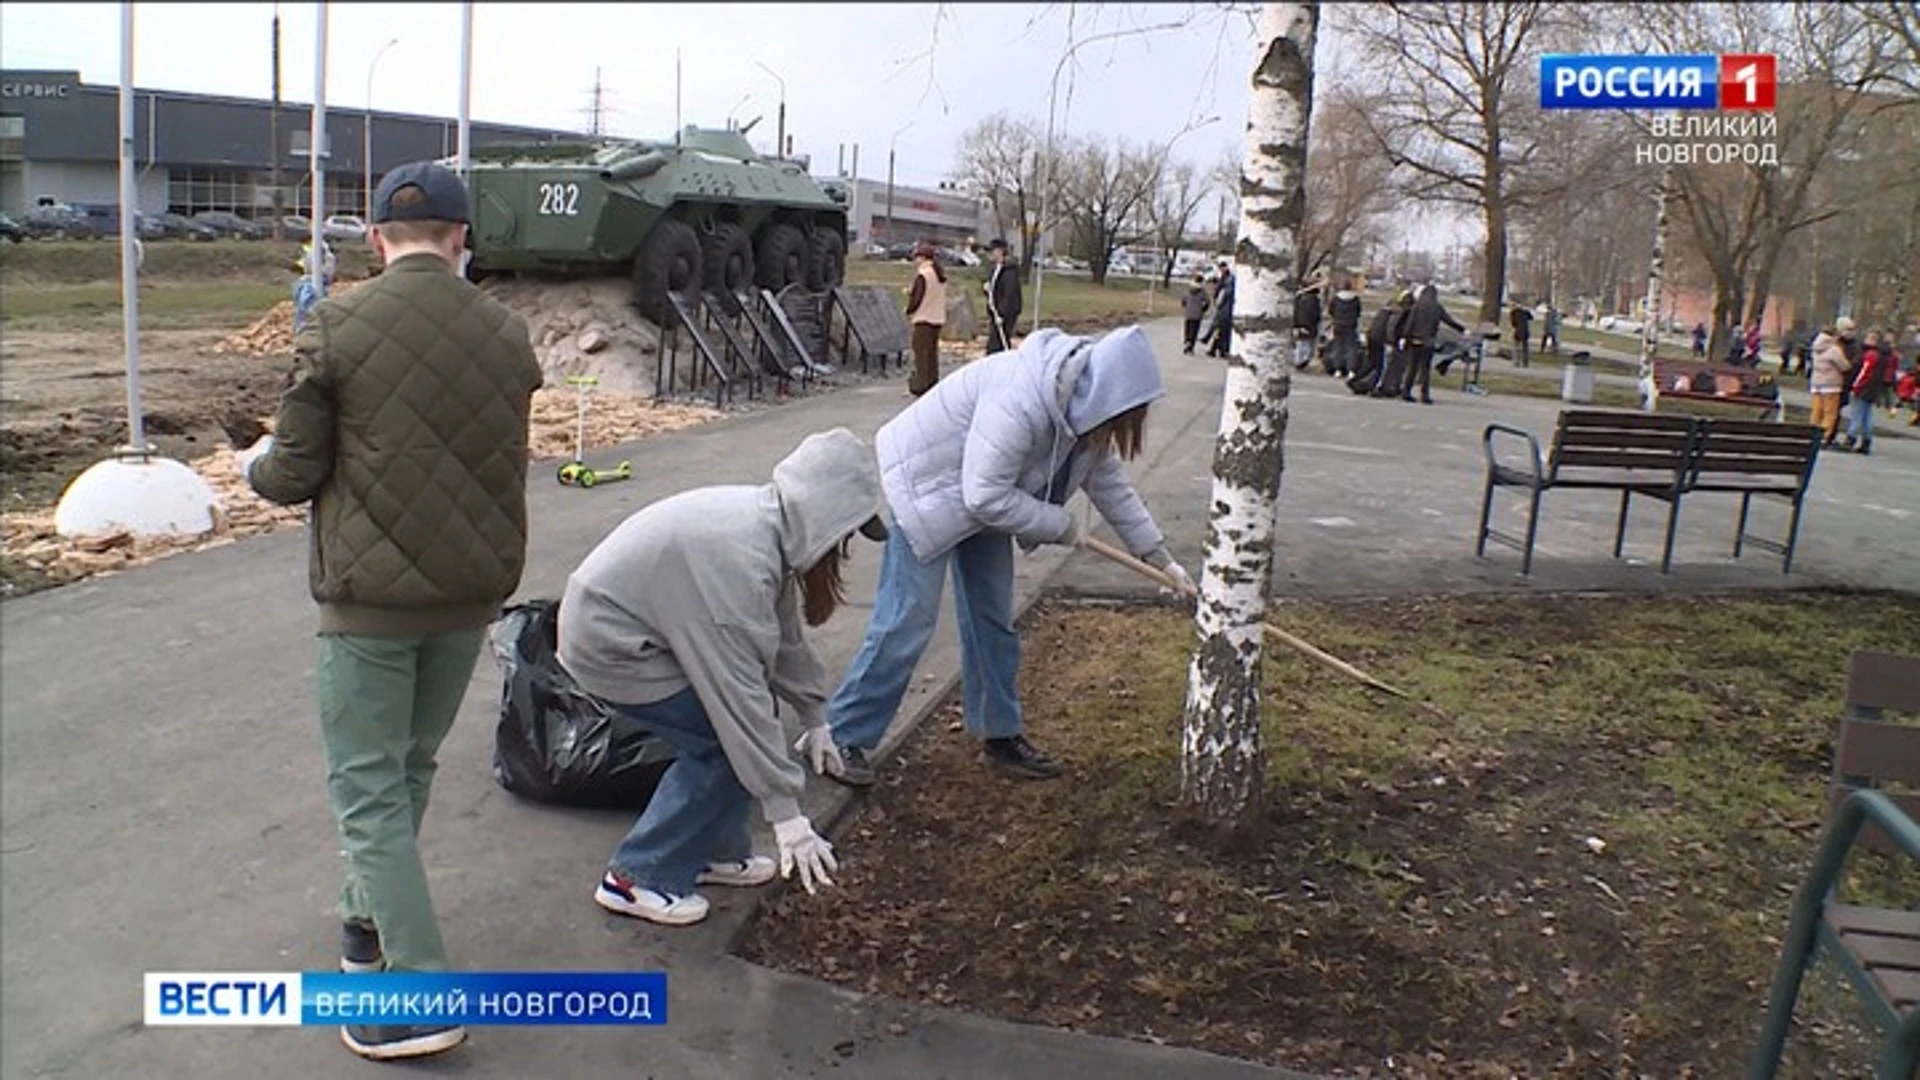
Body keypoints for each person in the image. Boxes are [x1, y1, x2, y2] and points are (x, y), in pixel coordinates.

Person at [238, 161, 543, 1062]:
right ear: (461, 239)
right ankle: (365, 925)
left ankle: (417, 991)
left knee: (367, 790)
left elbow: (292, 473)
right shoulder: (506, 332)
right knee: (408, 768)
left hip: (369, 600)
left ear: (374, 240)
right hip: (469, 594)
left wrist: (251, 466)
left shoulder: (335, 324)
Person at [822, 325, 1195, 786]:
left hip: (988, 495)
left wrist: (1161, 559)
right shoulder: (1021, 396)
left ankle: (1000, 734)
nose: (1125, 428)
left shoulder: (1086, 415)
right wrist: (1061, 526)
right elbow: (982, 494)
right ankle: (842, 735)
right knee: (907, 620)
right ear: (1107, 395)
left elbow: (1111, 487)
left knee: (992, 621)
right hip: (927, 486)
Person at [556, 429, 890, 926]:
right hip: (611, 646)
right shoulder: (737, 561)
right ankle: (637, 877)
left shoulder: (768, 529)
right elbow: (737, 700)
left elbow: (784, 638)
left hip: (636, 630)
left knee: (742, 737)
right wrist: (786, 813)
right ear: (825, 512)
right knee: (721, 746)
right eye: (847, 530)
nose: (845, 546)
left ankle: (711, 850)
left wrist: (815, 714)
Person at [1398, 284, 1464, 405]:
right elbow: (1448, 320)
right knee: (1425, 369)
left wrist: (1404, 337)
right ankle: (1424, 395)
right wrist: (1462, 329)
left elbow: (1410, 323)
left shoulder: (1417, 306)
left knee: (1412, 367)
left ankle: (1406, 391)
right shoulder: (1437, 307)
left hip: (1415, 340)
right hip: (1429, 341)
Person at [905, 242, 947, 396]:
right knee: (931, 353)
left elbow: (917, 297)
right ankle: (932, 381)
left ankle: (920, 385)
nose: (915, 261)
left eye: (917, 257)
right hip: (938, 318)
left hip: (923, 318)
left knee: (921, 354)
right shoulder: (939, 274)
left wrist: (909, 310)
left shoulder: (924, 274)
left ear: (922, 258)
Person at [1844, 330, 1887, 455]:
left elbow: (1864, 372)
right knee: (1867, 416)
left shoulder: (1870, 355)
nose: (1866, 339)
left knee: (1856, 414)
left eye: (1869, 338)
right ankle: (1866, 440)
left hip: (1863, 388)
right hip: (1873, 390)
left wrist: (1855, 386)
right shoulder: (1881, 355)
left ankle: (1851, 437)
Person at [1809, 324, 1849, 447]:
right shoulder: (1833, 349)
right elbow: (1844, 366)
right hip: (1831, 385)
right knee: (1830, 413)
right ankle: (1823, 437)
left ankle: (1811, 433)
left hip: (1816, 383)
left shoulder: (1816, 347)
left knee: (1816, 411)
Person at [983, 238, 1023, 355]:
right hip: (996, 312)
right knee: (995, 342)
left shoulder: (1009, 271)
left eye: (992, 251)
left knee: (998, 343)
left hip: (1006, 313)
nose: (989, 254)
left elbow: (1009, 294)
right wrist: (987, 289)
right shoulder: (995, 269)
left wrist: (1002, 314)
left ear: (1000, 251)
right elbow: (995, 289)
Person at [1324, 276, 1362, 378]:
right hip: (1351, 325)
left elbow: (1331, 311)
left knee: (1338, 347)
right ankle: (1351, 370)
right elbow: (1358, 312)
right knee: (1351, 348)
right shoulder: (1356, 299)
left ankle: (1337, 369)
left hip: (1338, 325)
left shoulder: (1336, 299)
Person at [1291, 277, 1323, 371]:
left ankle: (1299, 361)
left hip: (1300, 323)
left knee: (1302, 343)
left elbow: (1296, 311)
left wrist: (1296, 324)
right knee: (1307, 344)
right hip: (1309, 324)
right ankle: (1301, 361)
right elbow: (1314, 314)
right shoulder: (1313, 299)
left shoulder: (1299, 297)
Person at [1207, 260, 1236, 358]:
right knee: (1221, 330)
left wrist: (1217, 301)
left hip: (1225, 310)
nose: (1221, 270)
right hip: (1225, 310)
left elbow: (1222, 293)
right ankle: (1218, 350)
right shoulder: (1225, 279)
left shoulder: (1228, 279)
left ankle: (1217, 350)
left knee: (1221, 330)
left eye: (1221, 268)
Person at [1181, 273, 1211, 355]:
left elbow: (1183, 301)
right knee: (1194, 331)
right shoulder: (1202, 292)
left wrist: (1186, 306)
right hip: (1197, 314)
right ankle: (1191, 346)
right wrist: (1203, 309)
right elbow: (1207, 302)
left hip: (1188, 313)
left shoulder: (1188, 290)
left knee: (1188, 329)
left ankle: (1187, 341)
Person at [1510, 304, 1534, 368]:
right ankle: (1525, 362)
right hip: (1525, 331)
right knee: (1525, 348)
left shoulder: (1513, 313)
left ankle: (1516, 362)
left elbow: (1513, 323)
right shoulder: (1525, 312)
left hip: (1518, 331)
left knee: (1516, 347)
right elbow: (1531, 318)